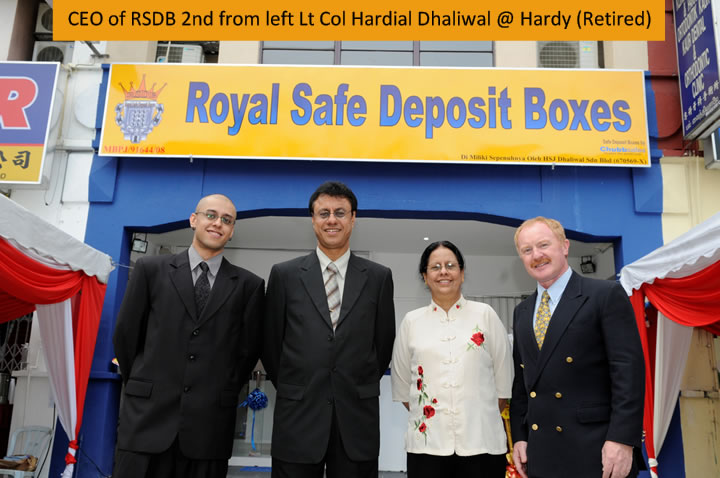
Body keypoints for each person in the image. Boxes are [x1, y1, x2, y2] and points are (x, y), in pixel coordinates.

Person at [112, 194, 265, 478]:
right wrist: (144, 381)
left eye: (226, 220)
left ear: (232, 231)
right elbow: (126, 335)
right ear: (194, 220)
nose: (217, 223)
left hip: (209, 427)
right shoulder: (150, 270)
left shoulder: (249, 286)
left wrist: (219, 388)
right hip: (146, 420)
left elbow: (248, 351)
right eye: (211, 215)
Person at [263, 181, 396, 478]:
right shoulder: (284, 275)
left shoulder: (378, 277)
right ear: (313, 219)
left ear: (353, 218)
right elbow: (271, 344)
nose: (332, 220)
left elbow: (383, 343)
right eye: (324, 213)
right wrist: (295, 385)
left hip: (356, 419)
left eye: (340, 212)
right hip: (297, 417)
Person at [510, 217, 645, 478]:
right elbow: (522, 382)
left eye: (543, 245)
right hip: (542, 454)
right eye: (527, 250)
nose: (536, 255)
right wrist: (520, 436)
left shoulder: (605, 295)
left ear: (565, 246)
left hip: (597, 451)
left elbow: (628, 373)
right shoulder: (522, 312)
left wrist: (622, 439)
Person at [391, 240, 513, 478]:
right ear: (425, 277)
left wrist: (475, 413)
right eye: (435, 267)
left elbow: (503, 383)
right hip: (428, 447)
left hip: (482, 444)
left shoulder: (485, 315)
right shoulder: (411, 322)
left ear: (462, 273)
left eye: (450, 265)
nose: (443, 272)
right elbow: (404, 388)